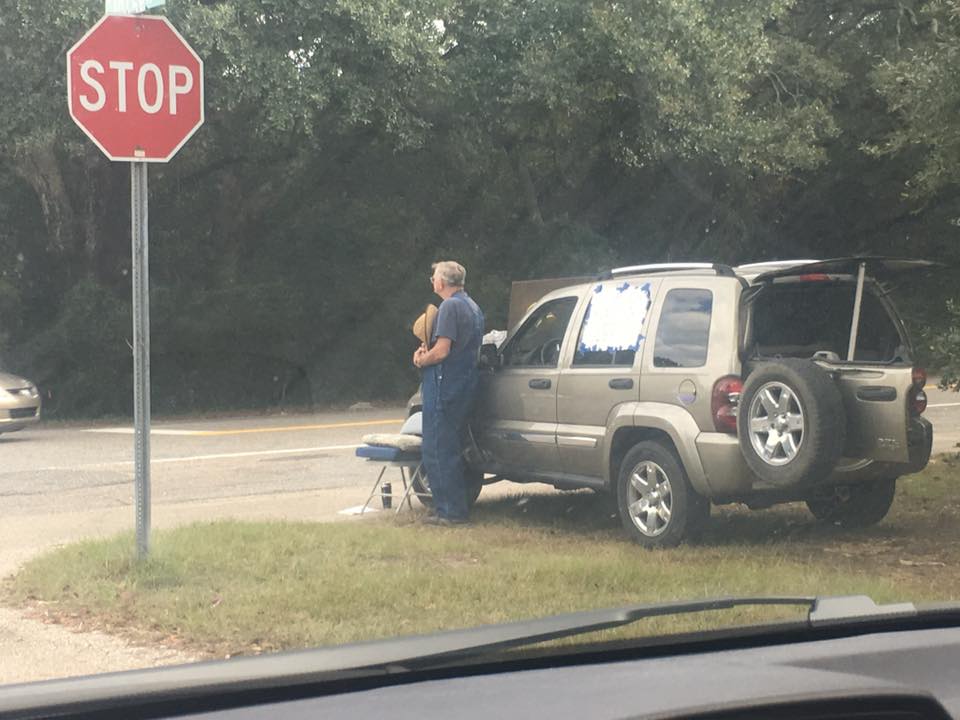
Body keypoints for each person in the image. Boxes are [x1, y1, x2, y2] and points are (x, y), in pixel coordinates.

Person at [412, 260, 484, 525]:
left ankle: (450, 512)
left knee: (439, 449)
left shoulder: (450, 306)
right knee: (452, 445)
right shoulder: (471, 305)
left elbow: (442, 351)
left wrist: (422, 359)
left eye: (434, 276)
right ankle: (455, 505)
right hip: (464, 382)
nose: (432, 280)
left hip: (445, 384)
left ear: (442, 282)